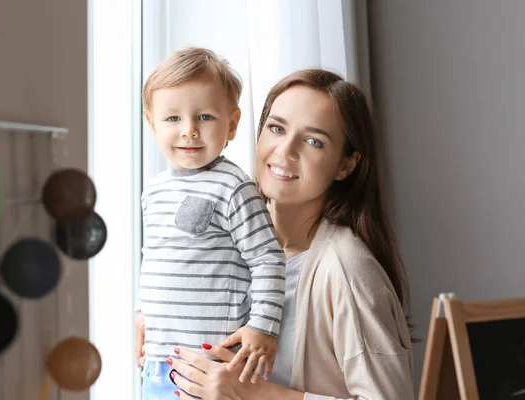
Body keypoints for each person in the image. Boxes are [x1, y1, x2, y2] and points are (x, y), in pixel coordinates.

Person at [140, 68, 416, 399]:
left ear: (346, 164)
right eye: (276, 128)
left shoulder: (349, 271)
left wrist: (255, 394)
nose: (284, 152)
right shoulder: (233, 232)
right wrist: (156, 324)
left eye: (314, 141)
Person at [135, 47, 287, 399]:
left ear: (231, 125)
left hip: (214, 366)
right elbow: (156, 261)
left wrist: (263, 327)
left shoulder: (234, 187)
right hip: (159, 362)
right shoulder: (153, 191)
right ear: (151, 122)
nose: (189, 131)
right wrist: (142, 315)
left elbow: (267, 258)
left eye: (204, 117)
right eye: (173, 118)